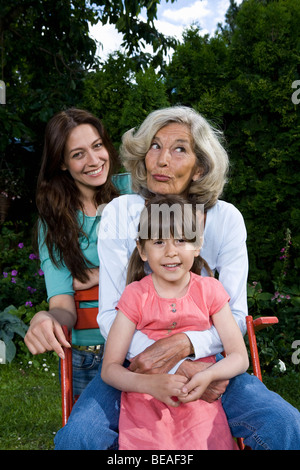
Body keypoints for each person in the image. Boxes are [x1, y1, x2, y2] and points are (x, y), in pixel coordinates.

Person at [54, 106, 300, 450]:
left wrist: (187, 350)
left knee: (286, 424)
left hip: (214, 364)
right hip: (131, 361)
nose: (161, 160)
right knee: (78, 438)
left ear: (200, 168)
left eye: (179, 148)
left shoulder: (225, 219)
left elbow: (237, 318)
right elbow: (110, 315)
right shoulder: (121, 213)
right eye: (154, 146)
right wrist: (171, 366)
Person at [101, 195, 249, 450]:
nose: (171, 251)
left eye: (181, 240)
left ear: (198, 244)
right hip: (147, 399)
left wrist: (209, 375)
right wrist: (149, 384)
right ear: (142, 250)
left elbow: (239, 357)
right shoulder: (136, 296)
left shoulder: (210, 291)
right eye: (159, 242)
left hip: (200, 397)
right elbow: (110, 369)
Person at [24, 108, 119, 396]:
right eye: (78, 154)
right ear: (63, 163)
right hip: (91, 355)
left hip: (147, 343)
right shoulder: (52, 224)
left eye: (97, 146)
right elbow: (64, 308)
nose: (94, 161)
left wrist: (99, 275)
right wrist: (45, 318)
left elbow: (168, 259)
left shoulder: (131, 192)